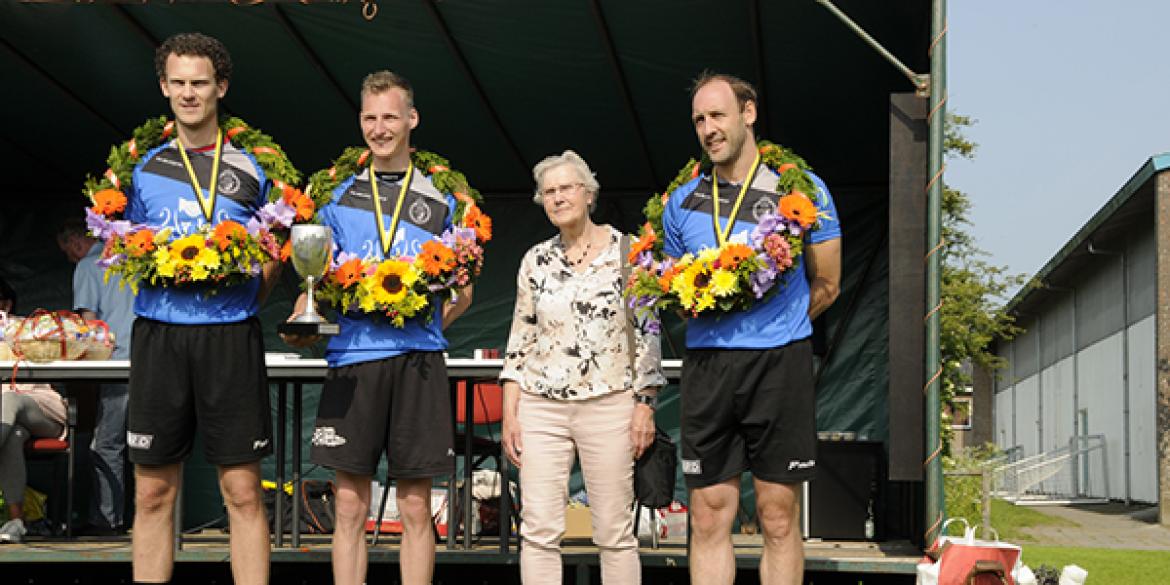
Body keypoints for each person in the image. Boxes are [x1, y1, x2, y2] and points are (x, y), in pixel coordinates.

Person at [284, 70, 472, 585]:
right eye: (370, 117)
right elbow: (314, 279)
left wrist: (423, 321)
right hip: (351, 362)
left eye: (390, 116)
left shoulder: (444, 199)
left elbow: (465, 290)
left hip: (419, 363)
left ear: (412, 119)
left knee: (415, 508)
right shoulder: (334, 197)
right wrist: (307, 307)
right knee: (348, 506)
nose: (380, 128)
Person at [661, 72, 842, 585]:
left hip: (779, 363)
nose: (708, 129)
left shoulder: (801, 192)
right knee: (709, 513)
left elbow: (827, 282)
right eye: (699, 120)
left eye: (717, 115)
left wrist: (774, 327)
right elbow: (672, 290)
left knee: (777, 515)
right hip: (708, 366)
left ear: (748, 113)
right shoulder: (682, 200)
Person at [121, 33, 282, 584]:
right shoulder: (138, 168)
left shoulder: (256, 167)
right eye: (180, 83)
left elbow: (274, 255)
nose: (190, 94)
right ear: (164, 87)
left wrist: (240, 302)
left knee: (241, 491)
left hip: (230, 337)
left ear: (221, 87)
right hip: (160, 335)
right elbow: (122, 245)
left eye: (201, 83)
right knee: (152, 491)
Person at [499, 150, 665, 585]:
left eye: (566, 188)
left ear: (588, 193)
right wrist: (510, 414)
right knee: (537, 532)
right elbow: (520, 340)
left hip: (610, 404)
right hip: (541, 407)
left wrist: (645, 404)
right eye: (548, 192)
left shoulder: (629, 252)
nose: (557, 198)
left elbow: (648, 333)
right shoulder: (535, 260)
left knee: (614, 531)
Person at [58, 218, 136, 536]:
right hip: (157, 361)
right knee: (156, 444)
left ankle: (107, 519)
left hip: (117, 364)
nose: (69, 259)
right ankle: (157, 521)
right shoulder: (137, 259)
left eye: (67, 252)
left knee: (107, 444)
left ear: (77, 242)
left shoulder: (89, 267)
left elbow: (89, 327)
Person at [0, 381, 66, 543]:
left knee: (10, 398)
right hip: (7, 421)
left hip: (43, 412)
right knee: (13, 437)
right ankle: (16, 522)